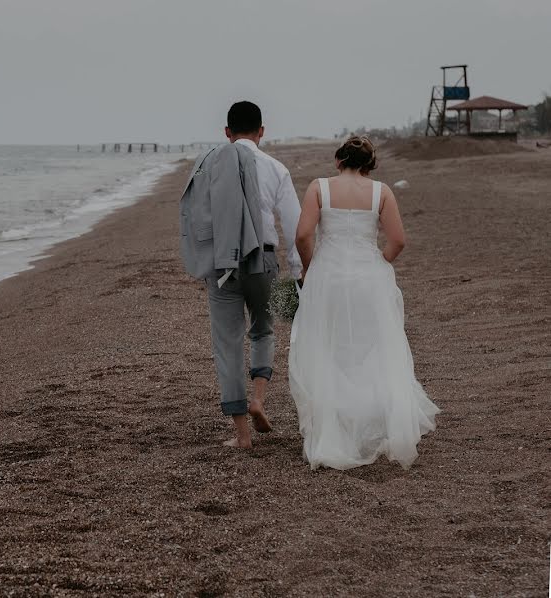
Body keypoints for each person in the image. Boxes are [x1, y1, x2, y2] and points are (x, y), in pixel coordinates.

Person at [289, 135, 439, 469]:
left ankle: (336, 426)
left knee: (329, 346)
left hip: (327, 276)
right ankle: (372, 420)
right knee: (370, 347)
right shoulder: (381, 191)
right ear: (370, 165)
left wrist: (311, 267)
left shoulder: (319, 187)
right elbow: (398, 240)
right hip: (368, 278)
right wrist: (379, 262)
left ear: (338, 160)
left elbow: (302, 235)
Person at [179, 101, 302, 449]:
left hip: (221, 264)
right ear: (262, 131)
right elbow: (294, 226)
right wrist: (298, 272)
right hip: (264, 261)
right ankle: (258, 400)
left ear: (227, 133)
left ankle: (242, 435)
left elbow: (197, 215)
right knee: (264, 330)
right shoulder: (277, 168)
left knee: (227, 345)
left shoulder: (210, 166)